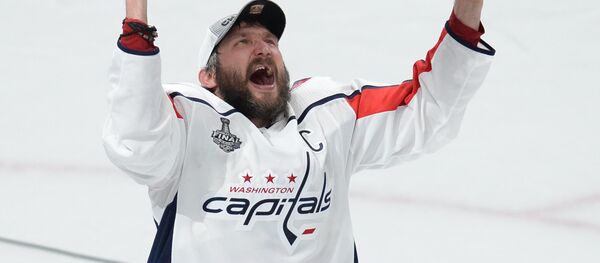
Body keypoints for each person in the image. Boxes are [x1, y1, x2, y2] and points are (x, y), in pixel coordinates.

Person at [103, 0, 495, 262]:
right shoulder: (188, 123)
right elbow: (137, 140)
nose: (263, 48)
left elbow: (428, 109)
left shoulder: (329, 114)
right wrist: (137, 26)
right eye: (242, 41)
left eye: (270, 40)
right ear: (209, 76)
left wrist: (467, 12)